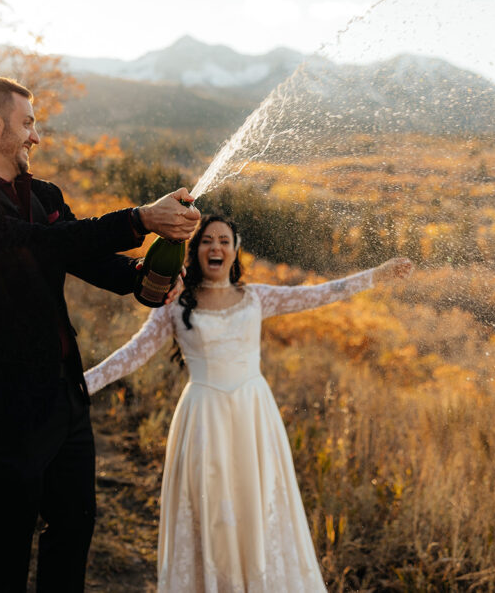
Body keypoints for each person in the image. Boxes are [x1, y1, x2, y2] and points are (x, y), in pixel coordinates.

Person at [0, 75, 200, 592]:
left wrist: (143, 279)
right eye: (27, 123)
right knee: (7, 551)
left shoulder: (44, 195)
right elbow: (35, 244)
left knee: (72, 533)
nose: (36, 136)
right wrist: (141, 218)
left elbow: (83, 253)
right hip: (4, 408)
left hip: (65, 399)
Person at [84, 214, 413, 591]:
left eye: (224, 240)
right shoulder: (175, 304)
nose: (215, 247)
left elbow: (321, 294)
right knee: (212, 513)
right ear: (194, 251)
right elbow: (134, 353)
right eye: (207, 241)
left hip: (254, 418)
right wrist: (81, 385)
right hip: (204, 419)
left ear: (235, 250)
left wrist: (377, 275)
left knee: (258, 508)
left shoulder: (257, 297)